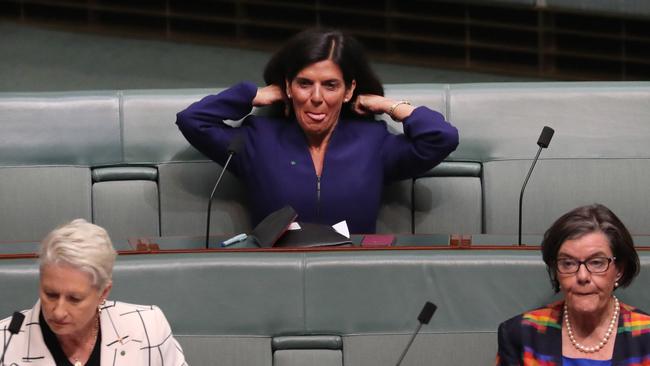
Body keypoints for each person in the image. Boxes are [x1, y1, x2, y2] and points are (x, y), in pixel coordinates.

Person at [176, 28, 458, 234]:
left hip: (353, 275)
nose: (316, 97)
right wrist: (252, 95)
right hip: (272, 275)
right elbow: (192, 120)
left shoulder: (373, 141)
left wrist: (385, 104)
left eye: (331, 85)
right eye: (304, 83)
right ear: (288, 87)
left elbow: (441, 138)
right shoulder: (257, 138)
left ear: (349, 90)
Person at [0, 219, 187, 366]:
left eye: (74, 298)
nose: (58, 311)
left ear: (103, 293)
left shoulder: (148, 327)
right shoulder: (4, 343)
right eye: (51, 294)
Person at [496, 204, 649, 365]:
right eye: (568, 263)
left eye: (597, 262)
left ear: (619, 270)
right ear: (556, 270)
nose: (582, 276)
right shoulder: (522, 334)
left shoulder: (645, 335)